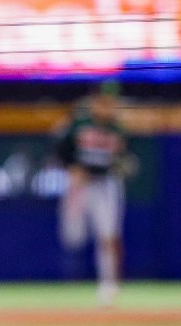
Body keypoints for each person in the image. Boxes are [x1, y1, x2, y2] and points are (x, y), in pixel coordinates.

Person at [54, 80, 135, 306]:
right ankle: (70, 279)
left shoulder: (118, 129)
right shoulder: (78, 123)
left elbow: (123, 161)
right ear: (94, 101)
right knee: (73, 236)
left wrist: (121, 165)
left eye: (112, 101)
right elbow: (59, 149)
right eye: (104, 101)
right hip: (79, 185)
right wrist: (71, 168)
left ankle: (108, 286)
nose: (108, 105)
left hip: (105, 184)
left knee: (108, 235)